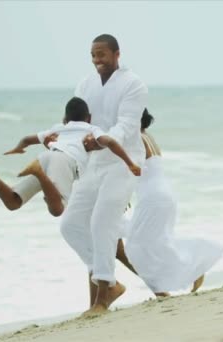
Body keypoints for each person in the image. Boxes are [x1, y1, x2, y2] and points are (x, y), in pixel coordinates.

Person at [59, 34, 147, 316]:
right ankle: (108, 282)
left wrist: (101, 140)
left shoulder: (134, 84)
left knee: (101, 224)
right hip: (92, 164)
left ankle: (101, 297)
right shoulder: (85, 84)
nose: (97, 60)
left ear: (116, 54)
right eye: (93, 55)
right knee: (70, 225)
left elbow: (127, 125)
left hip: (124, 162)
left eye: (102, 54)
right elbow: (77, 122)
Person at [0, 97, 141, 217]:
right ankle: (39, 173)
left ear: (65, 118)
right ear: (89, 117)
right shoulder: (91, 129)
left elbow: (27, 139)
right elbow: (110, 142)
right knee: (57, 209)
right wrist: (130, 163)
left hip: (45, 157)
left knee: (14, 202)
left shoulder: (58, 128)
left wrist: (18, 148)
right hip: (64, 161)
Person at [117, 108, 223, 297]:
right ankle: (166, 287)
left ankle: (189, 270)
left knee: (137, 246)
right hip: (163, 195)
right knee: (156, 243)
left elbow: (129, 169)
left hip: (153, 198)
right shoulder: (146, 136)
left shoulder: (134, 139)